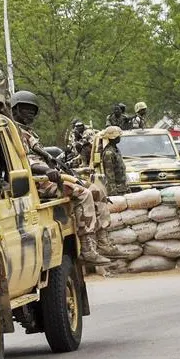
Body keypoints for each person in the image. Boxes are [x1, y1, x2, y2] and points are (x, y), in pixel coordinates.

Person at [11, 90, 113, 265]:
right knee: (83, 194)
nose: (30, 113)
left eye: (32, 110)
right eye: (25, 109)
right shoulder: (13, 132)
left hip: (49, 176)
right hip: (36, 182)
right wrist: (46, 170)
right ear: (15, 110)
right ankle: (88, 248)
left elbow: (42, 155)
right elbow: (26, 161)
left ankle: (103, 241)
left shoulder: (28, 132)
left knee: (97, 191)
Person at [101, 126, 128, 196]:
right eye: (118, 136)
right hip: (116, 190)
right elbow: (110, 175)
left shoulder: (115, 149)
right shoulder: (108, 153)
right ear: (114, 138)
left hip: (122, 188)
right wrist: (113, 192)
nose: (120, 138)